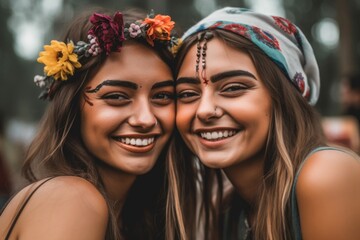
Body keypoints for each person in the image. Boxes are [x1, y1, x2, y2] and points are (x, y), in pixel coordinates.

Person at [167, 7, 360, 240]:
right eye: (187, 94)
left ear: (282, 98)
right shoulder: (228, 207)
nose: (205, 110)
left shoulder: (327, 173)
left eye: (233, 88)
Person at [0, 7, 178, 240]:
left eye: (162, 96)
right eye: (116, 96)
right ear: (71, 106)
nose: (145, 119)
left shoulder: (133, 215)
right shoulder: (73, 200)